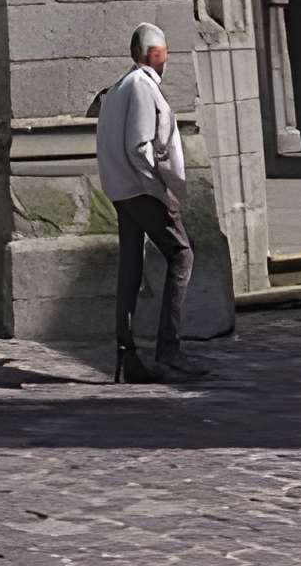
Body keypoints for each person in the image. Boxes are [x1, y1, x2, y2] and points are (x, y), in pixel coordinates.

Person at [95, 23, 207, 383]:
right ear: (151, 54)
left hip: (121, 190)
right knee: (182, 255)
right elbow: (139, 147)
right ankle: (169, 352)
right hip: (141, 190)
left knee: (131, 265)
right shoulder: (141, 88)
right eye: (163, 52)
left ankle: (126, 357)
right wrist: (163, 193)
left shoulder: (118, 88)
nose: (167, 58)